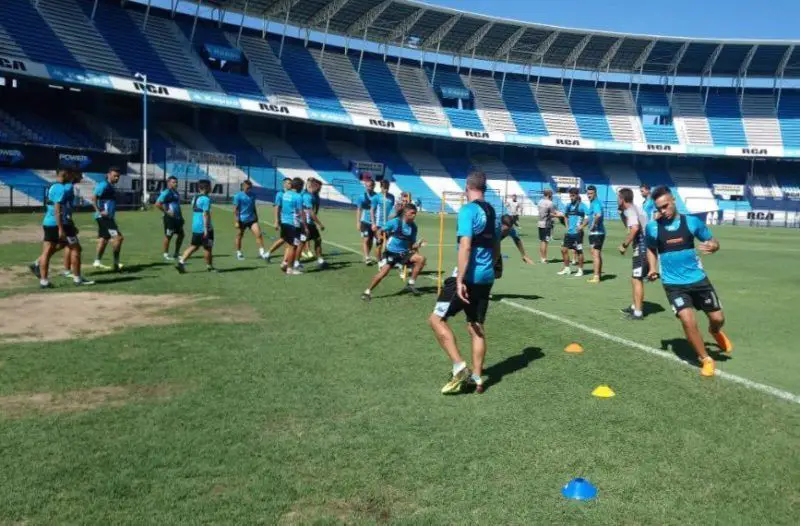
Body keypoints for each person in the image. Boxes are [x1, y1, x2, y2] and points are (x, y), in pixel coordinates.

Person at [645, 186, 733, 377]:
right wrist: (652, 268)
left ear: (674, 200)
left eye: (665, 206)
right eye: (659, 208)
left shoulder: (692, 222)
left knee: (718, 318)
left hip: (699, 280)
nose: (662, 211)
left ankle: (714, 331)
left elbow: (712, 240)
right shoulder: (652, 227)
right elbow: (651, 249)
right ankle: (705, 358)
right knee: (687, 320)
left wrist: (714, 246)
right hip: (673, 284)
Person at [429, 171, 500, 395]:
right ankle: (478, 379)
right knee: (475, 326)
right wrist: (491, 266)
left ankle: (459, 367)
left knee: (436, 319)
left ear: (467, 187)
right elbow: (496, 246)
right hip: (486, 277)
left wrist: (459, 279)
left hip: (468, 277)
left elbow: (466, 246)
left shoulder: (468, 210)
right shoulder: (492, 211)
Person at [30, 169, 94, 287]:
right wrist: (61, 228)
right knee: (76, 249)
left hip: (48, 222)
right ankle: (77, 279)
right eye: (79, 175)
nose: (81, 178)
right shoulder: (64, 188)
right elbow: (58, 209)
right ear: (68, 175)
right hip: (61, 223)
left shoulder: (52, 187)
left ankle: (43, 281)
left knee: (48, 251)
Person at [361, 203, 426, 300]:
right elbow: (380, 231)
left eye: (415, 213)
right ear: (405, 213)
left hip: (404, 253)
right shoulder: (395, 222)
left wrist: (417, 245)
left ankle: (411, 284)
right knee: (383, 273)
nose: (414, 215)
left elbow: (411, 245)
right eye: (412, 213)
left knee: (421, 259)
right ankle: (367, 292)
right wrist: (379, 238)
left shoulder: (414, 227)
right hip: (391, 253)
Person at [617, 188, 649, 321]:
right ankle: (635, 305)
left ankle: (638, 312)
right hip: (643, 248)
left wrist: (624, 245)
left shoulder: (631, 211)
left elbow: (635, 228)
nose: (617, 200)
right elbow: (629, 226)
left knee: (637, 279)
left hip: (642, 248)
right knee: (635, 279)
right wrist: (621, 214)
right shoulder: (633, 210)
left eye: (618, 198)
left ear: (622, 199)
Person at [176, 179, 215, 273]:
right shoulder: (206, 199)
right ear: (206, 187)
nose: (211, 188)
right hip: (204, 226)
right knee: (208, 247)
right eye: (210, 186)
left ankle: (181, 261)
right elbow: (205, 214)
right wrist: (206, 229)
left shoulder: (195, 197)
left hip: (196, 225)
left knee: (194, 245)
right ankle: (209, 267)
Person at [91, 166, 124, 272]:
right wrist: (99, 210)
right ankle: (116, 263)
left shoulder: (110, 186)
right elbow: (94, 197)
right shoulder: (103, 185)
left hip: (107, 217)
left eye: (118, 176)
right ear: (108, 174)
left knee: (104, 239)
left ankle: (97, 261)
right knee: (118, 238)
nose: (117, 178)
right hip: (104, 218)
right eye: (115, 176)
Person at [555, 188, 588, 276]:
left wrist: (582, 226)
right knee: (563, 249)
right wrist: (567, 226)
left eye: (573, 196)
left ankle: (580, 270)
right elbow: (565, 216)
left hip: (578, 234)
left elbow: (589, 217)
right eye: (570, 196)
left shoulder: (582, 206)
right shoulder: (568, 206)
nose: (571, 197)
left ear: (577, 195)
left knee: (579, 251)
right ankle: (567, 269)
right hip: (569, 233)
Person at [232, 180, 268, 261]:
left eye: (250, 188)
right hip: (242, 220)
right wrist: (237, 221)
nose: (249, 189)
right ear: (243, 187)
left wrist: (256, 217)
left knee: (259, 235)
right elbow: (235, 210)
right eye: (248, 188)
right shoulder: (238, 196)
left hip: (252, 219)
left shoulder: (253, 195)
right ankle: (239, 253)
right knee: (239, 236)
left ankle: (262, 253)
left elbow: (253, 206)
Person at [279, 177, 307, 275]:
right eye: (302, 186)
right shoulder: (298, 197)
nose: (302, 188)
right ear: (298, 186)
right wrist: (305, 227)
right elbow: (301, 212)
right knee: (293, 247)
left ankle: (285, 263)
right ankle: (290, 269)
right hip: (293, 224)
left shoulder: (285, 194)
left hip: (284, 222)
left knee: (288, 245)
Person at [494, 214, 534, 279]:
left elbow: (517, 239)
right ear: (500, 224)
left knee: (498, 274)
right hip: (483, 247)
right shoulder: (494, 227)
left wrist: (524, 255)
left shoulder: (510, 229)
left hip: (495, 248)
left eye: (508, 230)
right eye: (504, 230)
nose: (506, 232)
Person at [155, 176, 184, 261]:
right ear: (169, 183)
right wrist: (167, 212)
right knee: (169, 236)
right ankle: (165, 254)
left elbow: (177, 206)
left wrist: (181, 217)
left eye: (176, 182)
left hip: (177, 219)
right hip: (169, 219)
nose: (176, 183)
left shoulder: (176, 193)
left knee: (181, 235)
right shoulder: (166, 192)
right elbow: (157, 204)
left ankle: (176, 253)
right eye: (173, 182)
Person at [264, 178, 292, 262]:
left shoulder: (291, 194)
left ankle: (268, 254)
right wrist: (276, 221)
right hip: (284, 220)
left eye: (290, 183)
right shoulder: (280, 194)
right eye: (288, 183)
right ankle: (287, 262)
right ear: (284, 184)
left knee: (285, 239)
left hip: (289, 220)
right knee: (286, 240)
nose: (290, 185)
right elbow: (277, 207)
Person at [302, 178, 327, 269]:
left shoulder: (315, 196)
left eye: (320, 187)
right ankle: (292, 262)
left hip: (310, 222)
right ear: (313, 186)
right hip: (305, 223)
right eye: (318, 188)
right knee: (300, 243)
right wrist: (320, 224)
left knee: (317, 239)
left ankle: (320, 259)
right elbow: (311, 212)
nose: (320, 189)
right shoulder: (307, 196)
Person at [370, 179, 396, 260]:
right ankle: (379, 262)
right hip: (379, 224)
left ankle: (386, 260)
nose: (386, 189)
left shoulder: (392, 197)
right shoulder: (376, 197)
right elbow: (372, 210)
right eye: (384, 187)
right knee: (379, 243)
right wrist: (373, 223)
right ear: (380, 187)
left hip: (389, 224)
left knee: (389, 244)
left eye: (387, 187)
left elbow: (393, 210)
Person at [586, 185, 606, 284]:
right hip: (594, 233)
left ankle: (596, 277)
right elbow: (590, 217)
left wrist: (594, 225)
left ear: (595, 193)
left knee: (595, 254)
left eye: (591, 193)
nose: (589, 195)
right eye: (588, 193)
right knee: (595, 254)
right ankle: (598, 275)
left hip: (597, 233)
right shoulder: (592, 203)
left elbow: (598, 215)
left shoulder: (596, 203)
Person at [357, 178, 377, 265]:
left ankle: (366, 255)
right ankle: (367, 257)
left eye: (371, 186)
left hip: (373, 222)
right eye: (367, 186)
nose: (369, 188)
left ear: (374, 186)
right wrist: (358, 222)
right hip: (364, 221)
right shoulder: (361, 197)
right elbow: (359, 210)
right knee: (366, 239)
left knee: (371, 240)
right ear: (365, 186)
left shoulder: (377, 196)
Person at [536, 189, 555, 263]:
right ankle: (544, 258)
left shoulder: (540, 201)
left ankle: (542, 257)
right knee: (545, 241)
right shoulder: (550, 203)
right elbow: (552, 214)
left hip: (540, 223)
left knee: (542, 241)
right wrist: (560, 215)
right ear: (549, 194)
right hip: (546, 224)